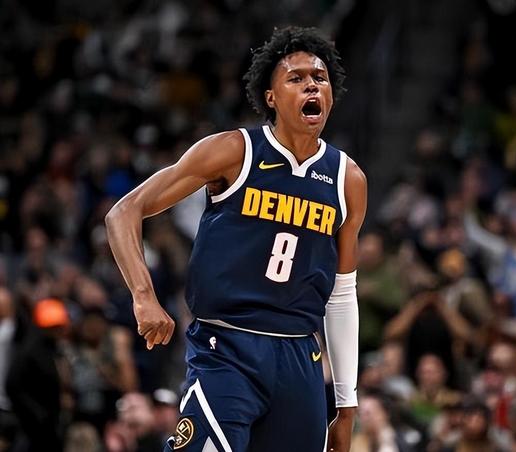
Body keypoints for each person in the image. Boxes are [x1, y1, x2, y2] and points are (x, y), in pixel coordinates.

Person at [105, 26, 367, 452]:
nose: (311, 85)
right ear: (271, 97)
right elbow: (123, 212)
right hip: (226, 347)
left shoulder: (347, 178)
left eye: (319, 78)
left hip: (299, 357)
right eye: (296, 78)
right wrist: (143, 296)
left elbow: (342, 293)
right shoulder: (234, 151)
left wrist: (346, 404)